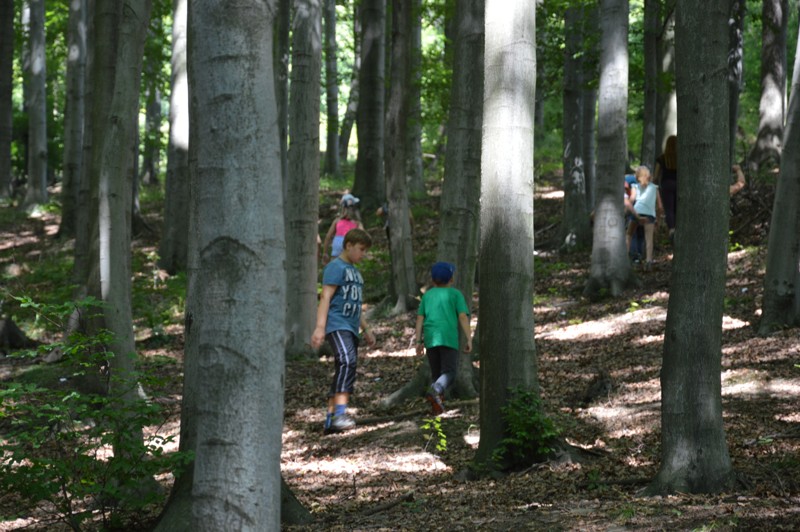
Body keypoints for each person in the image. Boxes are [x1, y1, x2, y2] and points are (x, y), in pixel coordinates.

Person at [311, 228, 376, 434]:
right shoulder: (335, 267)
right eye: (361, 249)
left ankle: (331, 419)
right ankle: (340, 414)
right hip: (337, 324)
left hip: (351, 327)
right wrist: (320, 328)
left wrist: (366, 329)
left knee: (345, 367)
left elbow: (356, 305)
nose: (363, 254)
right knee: (347, 361)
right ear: (348, 245)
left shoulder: (356, 273)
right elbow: (326, 297)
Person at [415, 262, 472, 415]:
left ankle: (437, 406)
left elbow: (420, 319)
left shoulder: (427, 295)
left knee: (437, 374)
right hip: (448, 338)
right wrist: (469, 338)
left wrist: (418, 341)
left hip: (431, 338)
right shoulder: (456, 295)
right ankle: (436, 391)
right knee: (449, 373)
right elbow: (462, 316)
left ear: (433, 281)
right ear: (451, 279)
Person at [626, 166, 664, 271]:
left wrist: (627, 208)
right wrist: (658, 220)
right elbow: (660, 207)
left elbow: (632, 199)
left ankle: (627, 258)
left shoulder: (635, 186)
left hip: (637, 213)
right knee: (649, 239)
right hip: (649, 215)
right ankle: (648, 261)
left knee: (629, 235)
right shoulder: (655, 188)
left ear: (638, 177)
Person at [321, 193, 364, 266]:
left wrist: (325, 253)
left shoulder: (337, 221)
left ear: (342, 208)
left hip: (337, 246)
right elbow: (363, 237)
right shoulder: (357, 223)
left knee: (335, 265)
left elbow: (328, 237)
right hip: (349, 246)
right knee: (348, 265)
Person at [654, 135, 678, 239]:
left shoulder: (661, 158)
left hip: (666, 184)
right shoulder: (680, 158)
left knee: (669, 209)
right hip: (679, 185)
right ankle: (678, 227)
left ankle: (672, 229)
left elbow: (655, 176)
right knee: (677, 208)